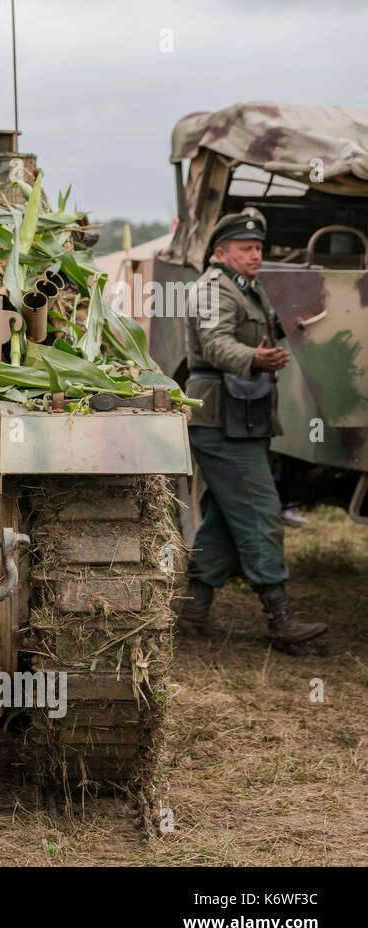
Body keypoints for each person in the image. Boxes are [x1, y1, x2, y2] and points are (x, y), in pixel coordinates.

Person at [175, 207, 327, 653]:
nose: (255, 255)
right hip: (221, 420)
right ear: (222, 252)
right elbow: (215, 342)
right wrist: (255, 358)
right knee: (261, 513)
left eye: (258, 248)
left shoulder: (245, 289)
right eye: (246, 248)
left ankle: (192, 614)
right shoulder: (211, 289)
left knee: (222, 520)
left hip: (241, 418)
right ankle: (280, 619)